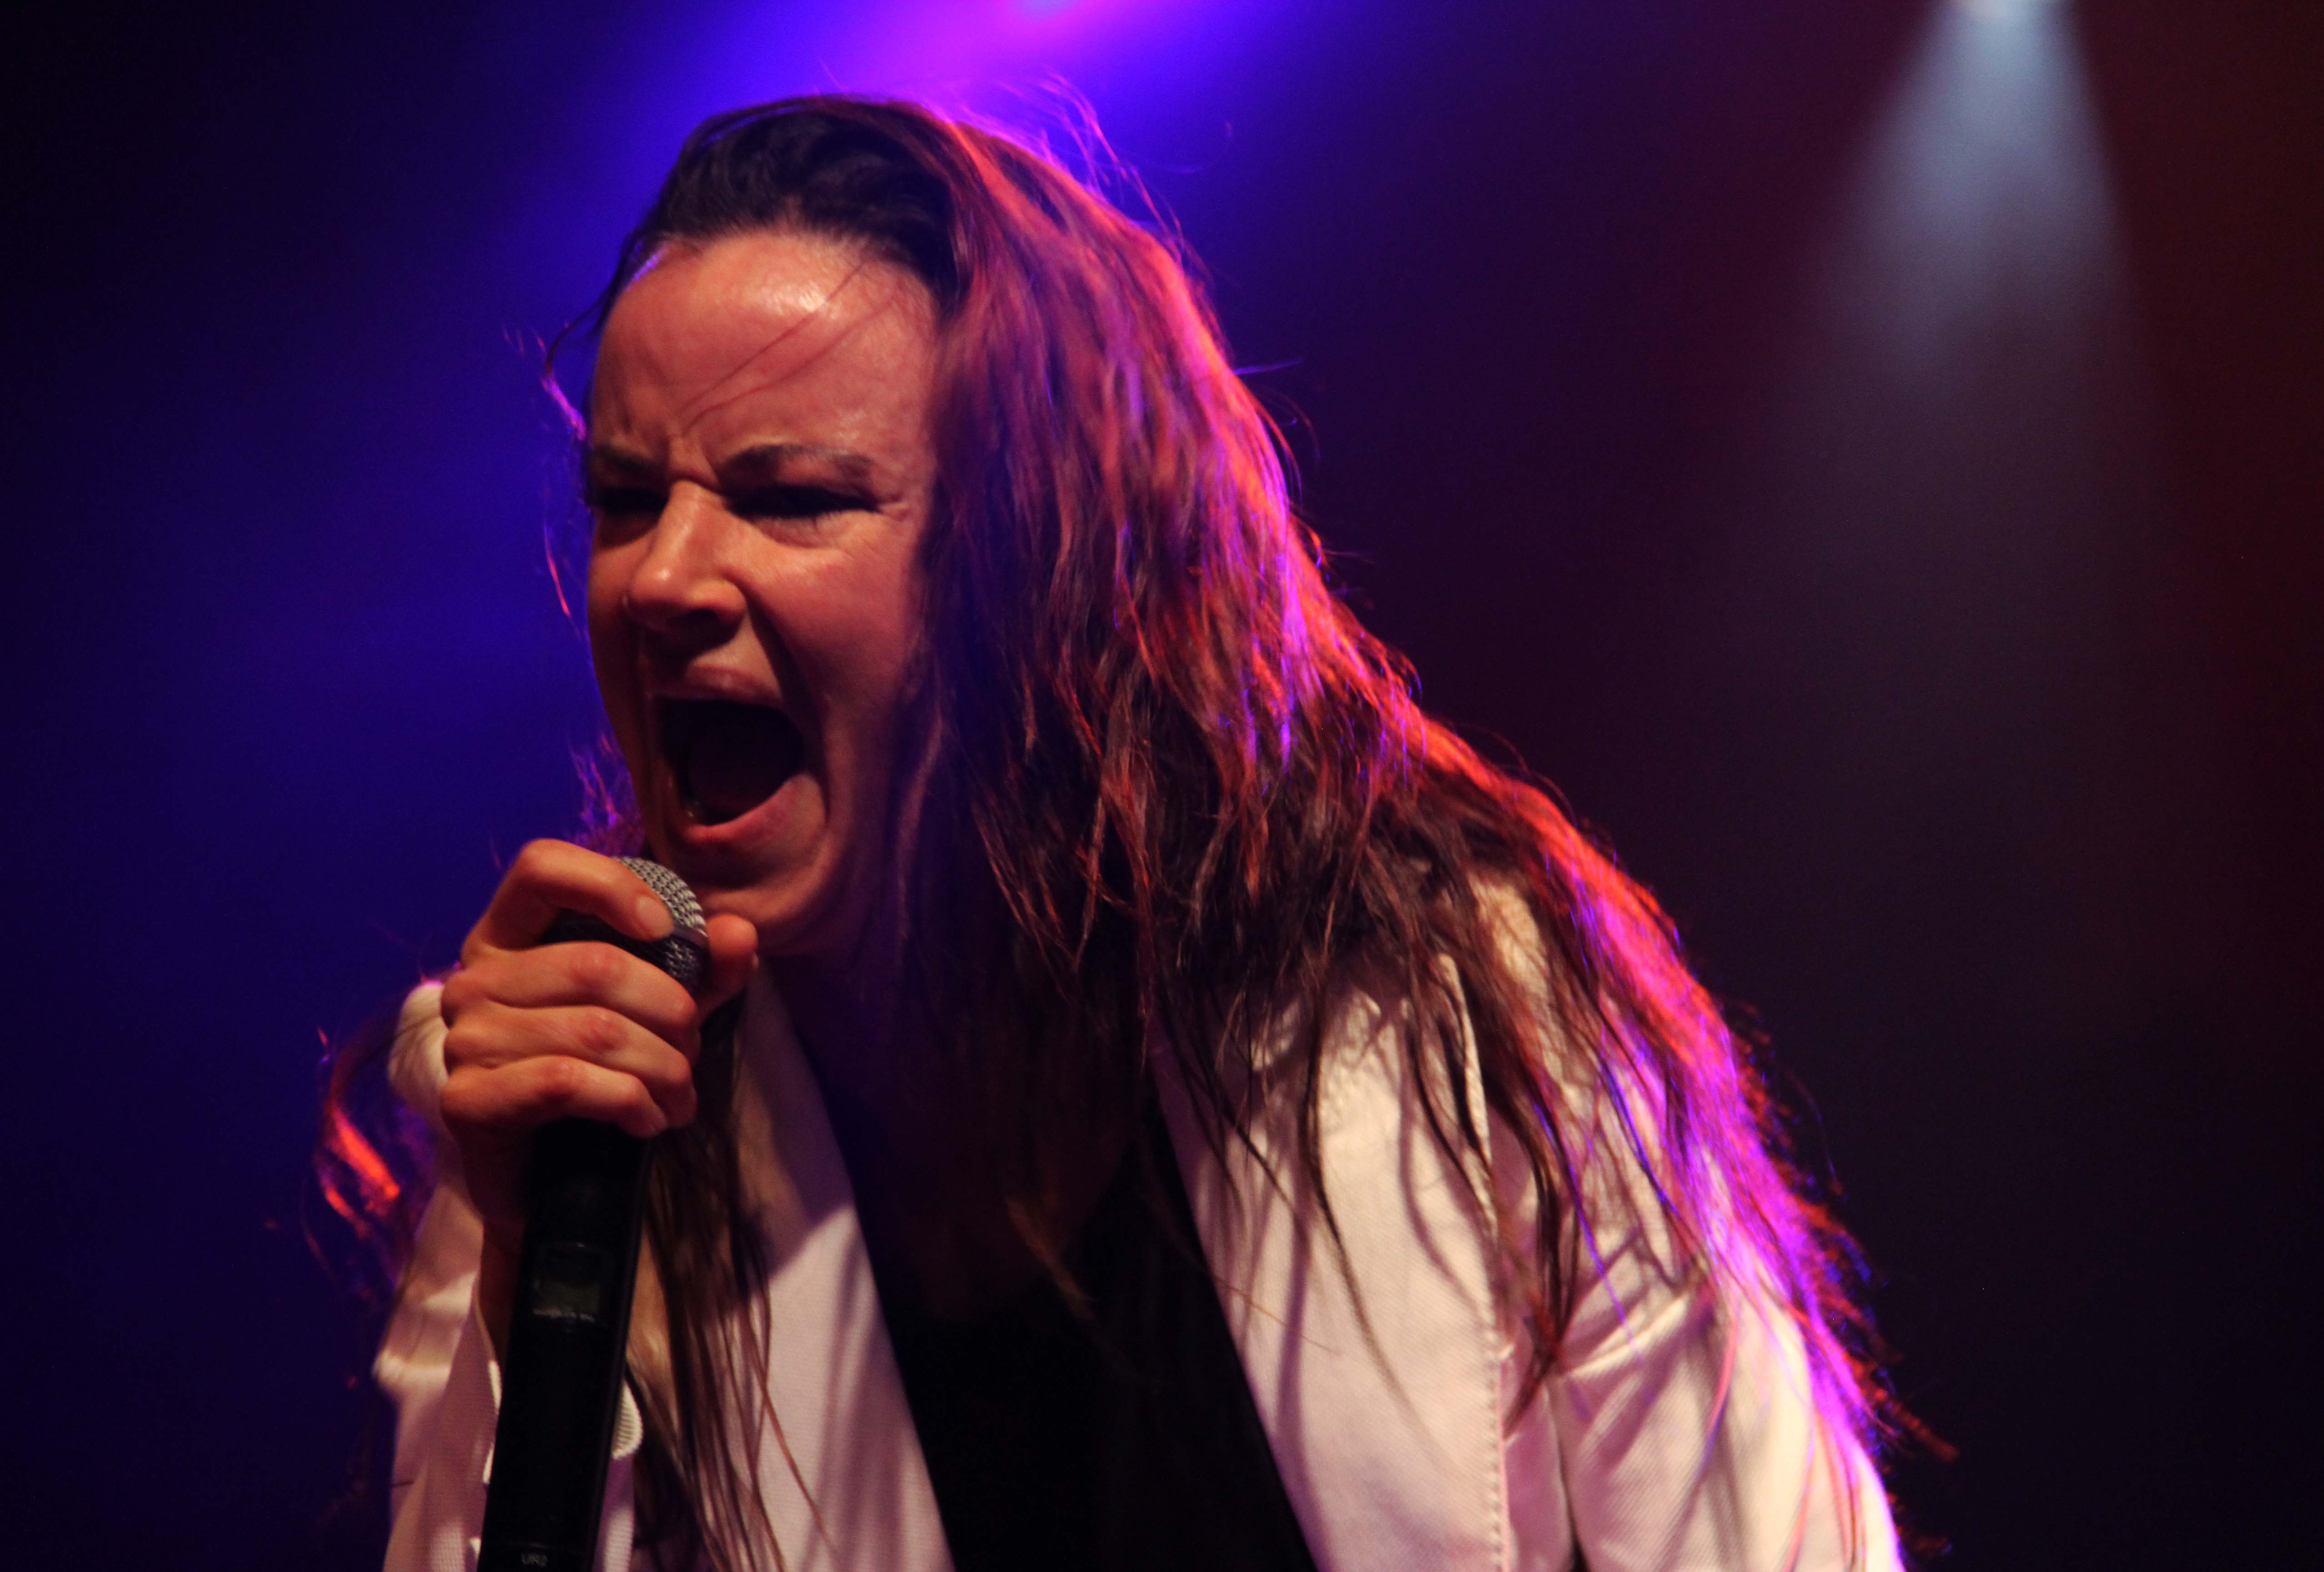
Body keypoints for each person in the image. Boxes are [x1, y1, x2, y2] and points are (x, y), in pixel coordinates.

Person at [325, 95, 1909, 1572]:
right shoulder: (577, 1115)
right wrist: (537, 1266)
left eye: (789, 495)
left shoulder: (1455, 1008)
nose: (661, 578)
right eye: (623, 498)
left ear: (1037, 570)